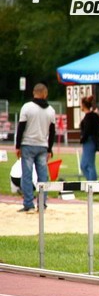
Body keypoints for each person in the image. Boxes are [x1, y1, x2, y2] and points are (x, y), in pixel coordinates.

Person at [15, 83, 56, 213]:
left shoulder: (27, 107)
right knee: (43, 177)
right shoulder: (51, 110)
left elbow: (21, 128)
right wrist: (49, 149)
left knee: (27, 176)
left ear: (34, 93)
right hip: (43, 146)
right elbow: (52, 132)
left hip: (27, 145)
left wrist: (17, 146)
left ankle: (29, 204)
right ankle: (42, 204)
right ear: (45, 94)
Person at [79, 95, 99, 181]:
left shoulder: (88, 117)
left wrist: (82, 139)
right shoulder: (93, 115)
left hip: (89, 141)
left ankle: (92, 183)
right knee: (84, 165)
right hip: (91, 141)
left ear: (83, 105)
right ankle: (91, 181)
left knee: (89, 165)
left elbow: (87, 131)